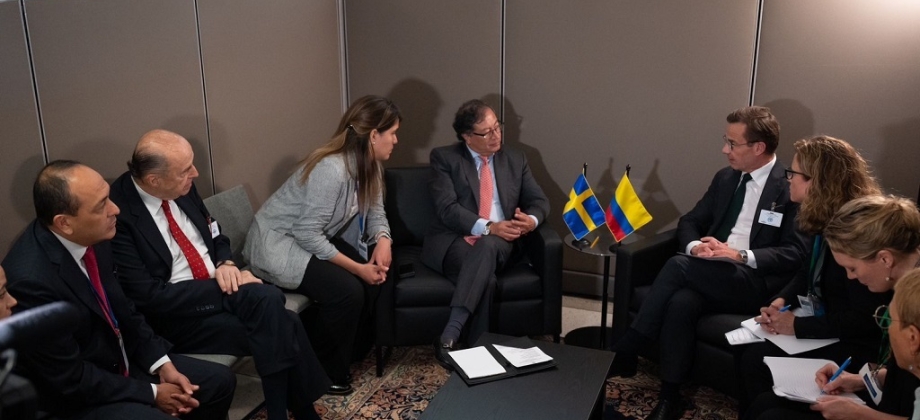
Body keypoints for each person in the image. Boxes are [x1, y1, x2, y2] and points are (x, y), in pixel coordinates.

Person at [108, 130, 329, 419]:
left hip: (221, 291)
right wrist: (224, 287)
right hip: (179, 316)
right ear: (154, 181)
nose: (195, 173)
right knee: (275, 310)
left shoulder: (181, 187)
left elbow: (215, 234)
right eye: (186, 170)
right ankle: (300, 411)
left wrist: (226, 264)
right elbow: (149, 297)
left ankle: (285, 413)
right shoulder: (119, 215)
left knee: (276, 316)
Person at [609, 106, 809, 420]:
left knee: (678, 267)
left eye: (732, 143)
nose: (724, 150)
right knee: (681, 302)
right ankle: (669, 397)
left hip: (754, 279)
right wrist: (695, 246)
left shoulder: (790, 189)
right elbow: (691, 220)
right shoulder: (726, 178)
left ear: (758, 148)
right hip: (712, 271)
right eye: (725, 141)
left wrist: (738, 255)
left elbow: (795, 253)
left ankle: (630, 344)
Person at [1, 160, 236, 419]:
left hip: (121, 360)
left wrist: (161, 362)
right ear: (64, 223)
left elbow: (124, 308)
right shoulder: (30, 282)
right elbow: (69, 378)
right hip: (80, 394)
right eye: (101, 205)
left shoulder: (96, 235)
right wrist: (152, 393)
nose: (115, 209)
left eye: (109, 198)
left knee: (218, 382)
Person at [244, 95, 400, 393]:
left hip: (308, 239)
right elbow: (306, 233)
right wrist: (357, 267)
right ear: (373, 135)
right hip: (277, 245)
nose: (395, 140)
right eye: (392, 133)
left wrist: (384, 241)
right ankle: (320, 372)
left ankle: (346, 354)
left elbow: (377, 212)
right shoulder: (333, 169)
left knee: (375, 277)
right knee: (348, 291)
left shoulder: (372, 166)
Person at [737, 136, 889, 414]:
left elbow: (864, 319)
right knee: (753, 359)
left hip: (854, 343)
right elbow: (806, 271)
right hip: (825, 323)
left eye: (794, 173)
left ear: (818, 182)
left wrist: (796, 327)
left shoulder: (856, 235)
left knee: (757, 361)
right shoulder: (823, 218)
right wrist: (780, 302)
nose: (788, 180)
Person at [746, 194, 920, 420]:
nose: (851, 276)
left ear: (885, 259)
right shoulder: (904, 286)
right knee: (765, 403)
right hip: (892, 396)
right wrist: (859, 380)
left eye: (853, 269)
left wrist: (859, 414)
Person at [421, 99, 550, 364]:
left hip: (502, 242)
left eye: (497, 127)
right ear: (467, 137)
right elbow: (447, 209)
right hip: (455, 239)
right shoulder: (445, 158)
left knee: (490, 244)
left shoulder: (516, 158)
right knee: (486, 280)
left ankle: (449, 334)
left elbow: (540, 201)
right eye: (486, 132)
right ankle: (479, 353)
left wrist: (531, 221)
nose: (496, 135)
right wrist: (489, 226)